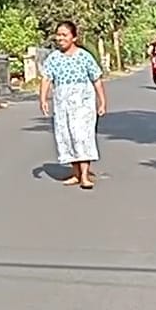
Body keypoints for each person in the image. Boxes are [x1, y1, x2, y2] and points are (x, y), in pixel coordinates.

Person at [38, 20, 107, 190]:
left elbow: (96, 79)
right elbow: (46, 79)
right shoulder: (53, 58)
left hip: (83, 104)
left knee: (82, 136)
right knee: (67, 136)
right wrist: (43, 99)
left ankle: (85, 175)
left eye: (64, 35)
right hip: (63, 105)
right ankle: (75, 173)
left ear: (74, 38)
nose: (60, 38)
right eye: (58, 35)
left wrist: (102, 101)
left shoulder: (84, 56)